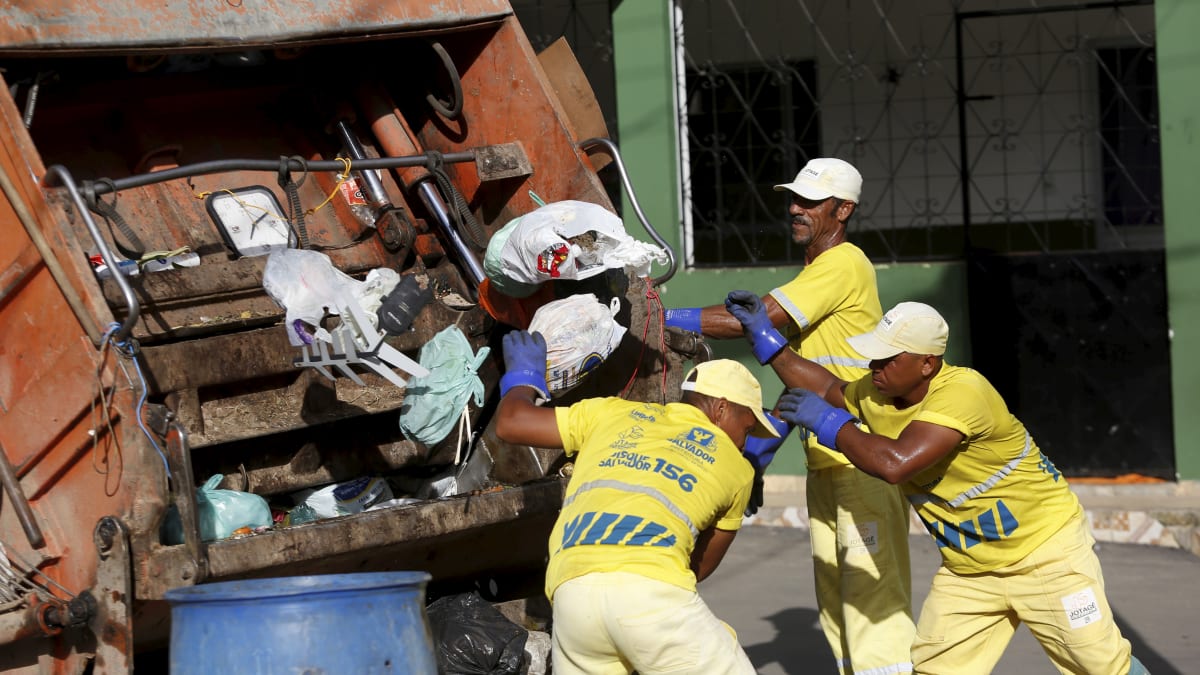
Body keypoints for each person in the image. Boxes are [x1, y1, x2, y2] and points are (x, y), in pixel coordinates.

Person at [726, 293, 1150, 675]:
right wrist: (765, 337)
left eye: (887, 359)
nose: (875, 368)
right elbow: (828, 386)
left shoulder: (964, 392)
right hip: (970, 571)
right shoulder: (880, 392)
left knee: (1101, 667)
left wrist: (829, 423)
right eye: (874, 358)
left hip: (1046, 556)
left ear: (927, 363)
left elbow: (895, 464)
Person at [663, 157, 916, 675]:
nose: (795, 209)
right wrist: (756, 454)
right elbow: (804, 381)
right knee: (838, 608)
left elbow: (759, 325)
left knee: (872, 609)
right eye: (793, 199)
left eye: (810, 202)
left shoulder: (842, 264)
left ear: (843, 210)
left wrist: (660, 315)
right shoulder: (818, 270)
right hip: (829, 464)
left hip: (859, 461)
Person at [494, 330, 778, 675]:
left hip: (571, 599)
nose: (743, 444)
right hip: (650, 597)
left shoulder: (612, 413)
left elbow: (511, 423)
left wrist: (524, 375)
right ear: (720, 408)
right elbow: (697, 568)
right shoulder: (738, 469)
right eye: (746, 430)